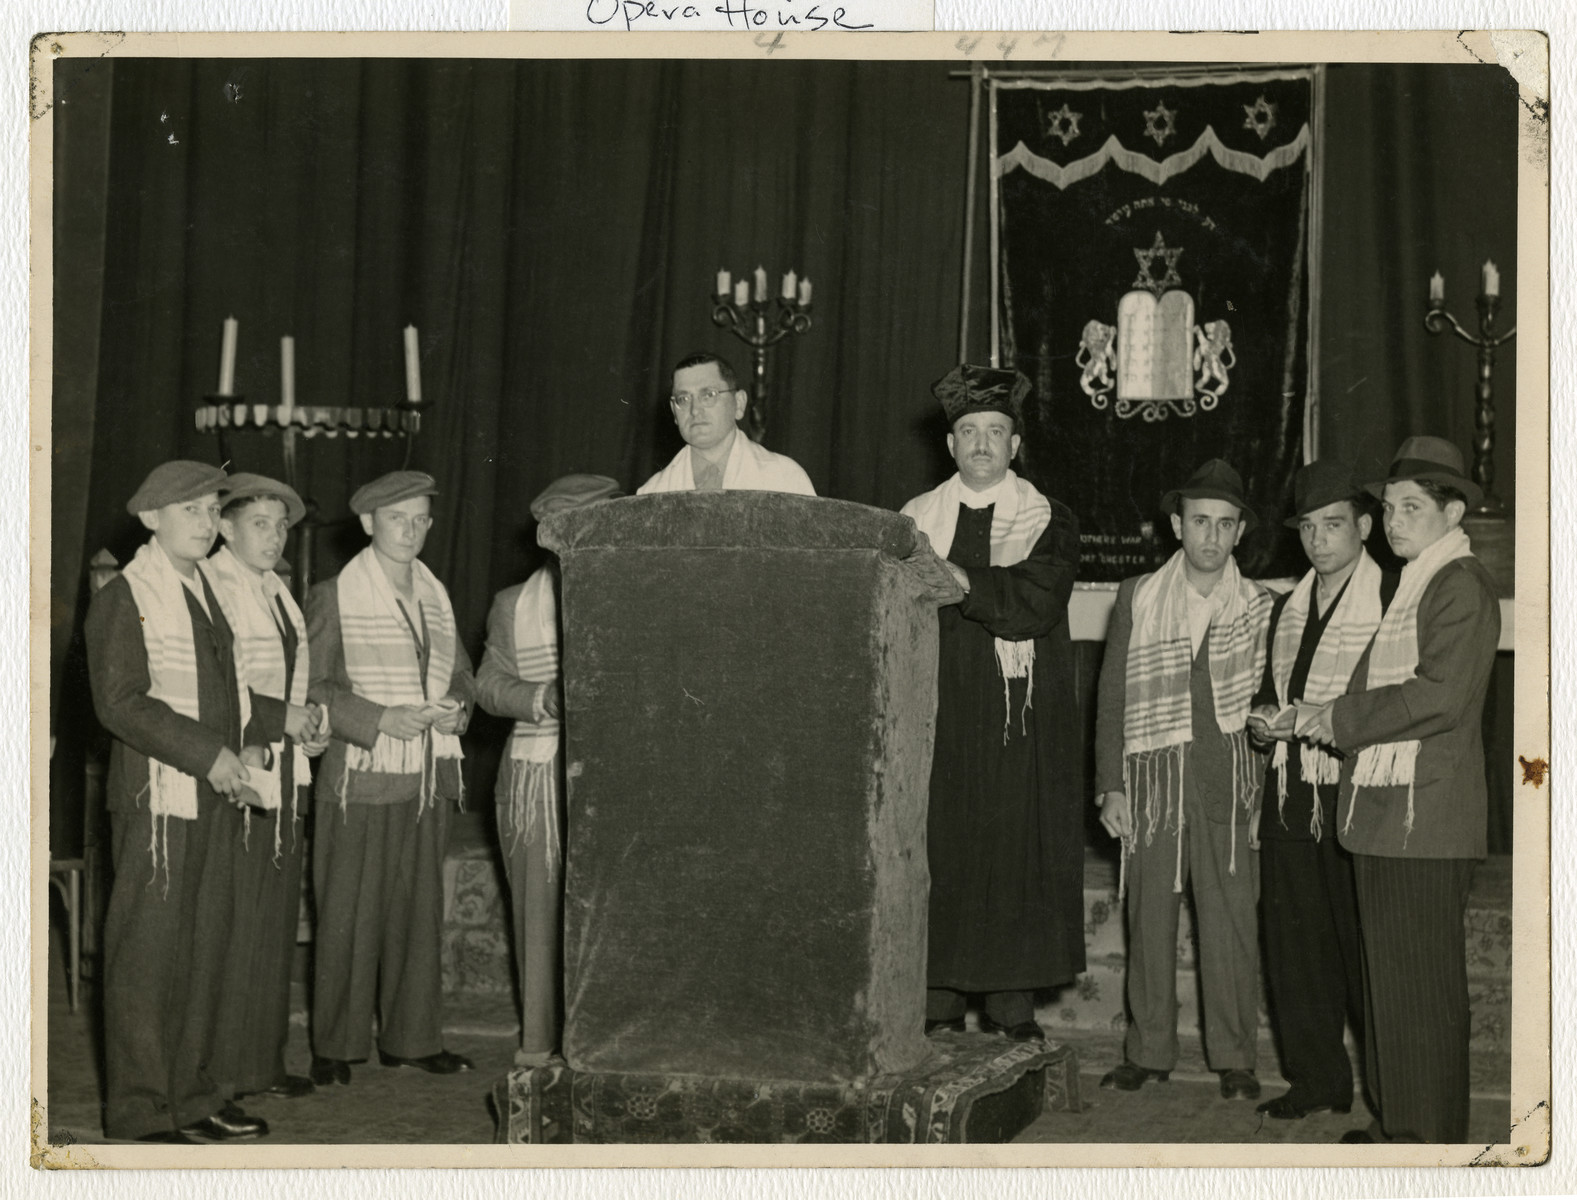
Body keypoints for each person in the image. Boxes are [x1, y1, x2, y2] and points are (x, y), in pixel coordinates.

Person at [1300, 437, 1501, 1144]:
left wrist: (1338, 718)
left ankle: (1427, 1141)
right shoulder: (1417, 581)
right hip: (1391, 815)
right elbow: (1381, 685)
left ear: (1452, 511)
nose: (1392, 522)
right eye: (1386, 509)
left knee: (1418, 991)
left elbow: (1439, 696)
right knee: (1390, 984)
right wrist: (1317, 712)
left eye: (1410, 508)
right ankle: (1397, 1123)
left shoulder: (1458, 584)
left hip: (1427, 818)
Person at [84, 460, 272, 1142]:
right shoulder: (125, 597)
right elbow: (120, 704)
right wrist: (210, 754)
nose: (203, 522)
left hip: (214, 794)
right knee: (147, 958)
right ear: (150, 518)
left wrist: (246, 746)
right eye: (187, 510)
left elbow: (232, 689)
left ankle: (190, 1097)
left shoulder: (204, 592)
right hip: (157, 802)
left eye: (208, 509)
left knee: (203, 950)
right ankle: (140, 1111)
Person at [899, 365, 1084, 1041]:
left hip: (1015, 714)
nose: (981, 443)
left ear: (1014, 446)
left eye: (995, 432)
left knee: (1009, 849)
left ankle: (1010, 1004)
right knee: (938, 847)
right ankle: (936, 1000)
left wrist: (957, 578)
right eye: (968, 431)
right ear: (950, 446)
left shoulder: (1047, 518)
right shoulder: (911, 521)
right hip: (935, 707)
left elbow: (1036, 601)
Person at [1094, 459, 1272, 1100]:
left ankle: (1234, 1057)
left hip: (1228, 785)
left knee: (1230, 925)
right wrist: (1111, 783)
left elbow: (1272, 704)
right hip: (1152, 783)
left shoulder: (1261, 606)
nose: (1212, 537)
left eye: (1226, 525)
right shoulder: (1138, 594)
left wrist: (1265, 792)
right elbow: (1111, 692)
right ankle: (1148, 1051)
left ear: (1240, 533)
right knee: (1150, 920)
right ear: (1177, 524)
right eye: (1200, 521)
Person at [305, 470, 476, 1086]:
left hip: (428, 775)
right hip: (361, 775)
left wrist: (459, 707)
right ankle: (335, 1043)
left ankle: (411, 1039)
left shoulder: (437, 595)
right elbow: (311, 686)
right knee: (349, 913)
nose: (411, 530)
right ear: (368, 523)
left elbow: (463, 678)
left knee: (417, 914)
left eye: (421, 518)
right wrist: (379, 718)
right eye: (397, 518)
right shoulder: (333, 595)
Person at [1246, 460, 1399, 1121]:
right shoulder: (1287, 605)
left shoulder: (1390, 598)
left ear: (1364, 527)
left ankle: (1391, 1093)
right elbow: (1272, 691)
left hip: (1354, 789)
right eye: (1306, 527)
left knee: (1361, 945)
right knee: (1294, 944)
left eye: (1331, 525)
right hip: (1289, 793)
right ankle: (1316, 1082)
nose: (1317, 540)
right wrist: (1259, 724)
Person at [475, 473, 624, 1066]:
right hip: (539, 772)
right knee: (541, 911)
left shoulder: (636, 593)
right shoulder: (515, 604)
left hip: (621, 775)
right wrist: (541, 697)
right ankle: (540, 1046)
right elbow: (486, 684)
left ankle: (609, 1045)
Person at [203, 473, 330, 1105]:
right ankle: (224, 1072)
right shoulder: (214, 584)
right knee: (236, 919)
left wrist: (308, 731)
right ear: (224, 526)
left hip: (283, 768)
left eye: (281, 526)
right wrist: (284, 718)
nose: (274, 536)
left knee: (275, 920)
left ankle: (263, 1062)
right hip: (243, 766)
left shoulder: (277, 588)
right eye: (260, 523)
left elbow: (292, 685)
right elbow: (218, 685)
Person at [637, 352, 816, 495]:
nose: (694, 410)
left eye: (708, 395)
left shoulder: (785, 478)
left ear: (739, 403)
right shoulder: (652, 492)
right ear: (674, 411)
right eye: (683, 399)